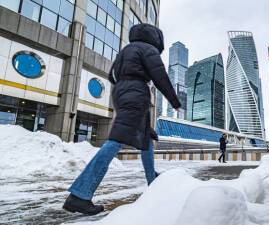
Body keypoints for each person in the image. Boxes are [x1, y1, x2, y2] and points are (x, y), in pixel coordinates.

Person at [62, 23, 181, 216]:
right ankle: (79, 195)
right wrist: (174, 101)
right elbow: (160, 76)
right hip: (136, 92)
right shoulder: (148, 49)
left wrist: (127, 84)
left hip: (121, 92)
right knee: (116, 141)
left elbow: (111, 76)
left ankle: (153, 180)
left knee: (145, 138)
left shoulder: (126, 50)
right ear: (155, 38)